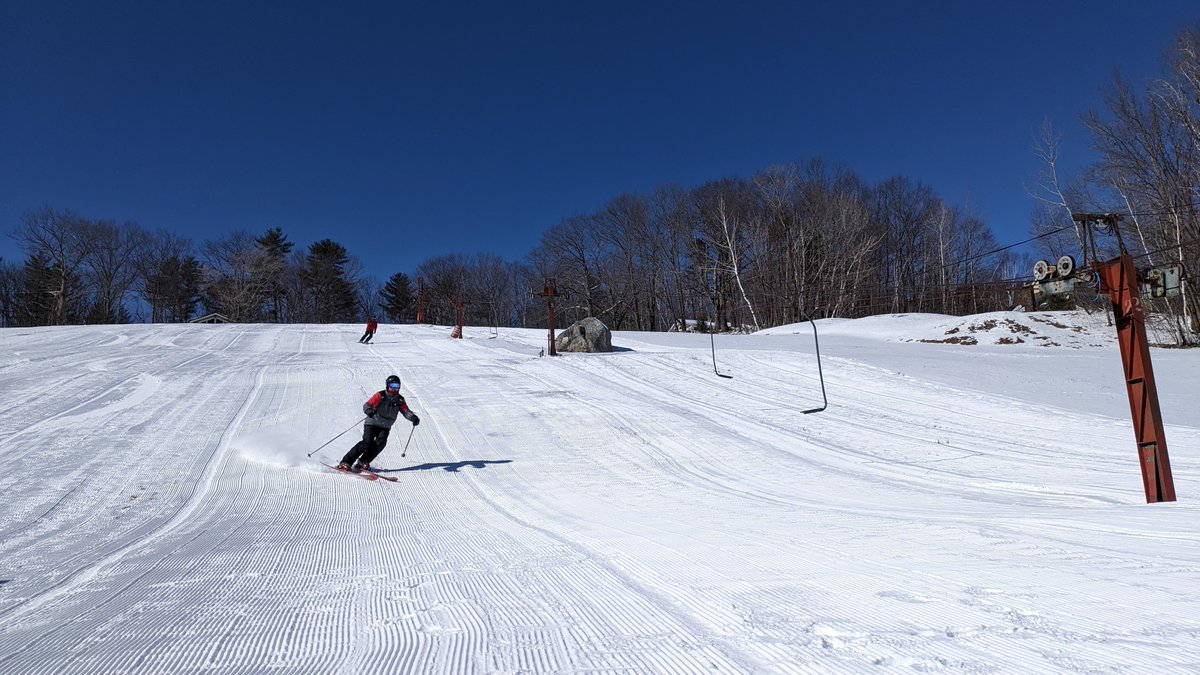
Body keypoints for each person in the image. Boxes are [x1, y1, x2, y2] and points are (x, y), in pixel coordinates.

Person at [338, 375, 419, 472]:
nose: (395, 389)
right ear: (387, 386)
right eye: (392, 386)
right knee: (366, 443)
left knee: (380, 443)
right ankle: (346, 462)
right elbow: (367, 405)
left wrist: (413, 417)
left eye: (397, 386)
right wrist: (369, 411)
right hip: (372, 422)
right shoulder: (380, 395)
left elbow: (406, 411)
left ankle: (363, 461)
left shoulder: (400, 400)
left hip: (385, 426)